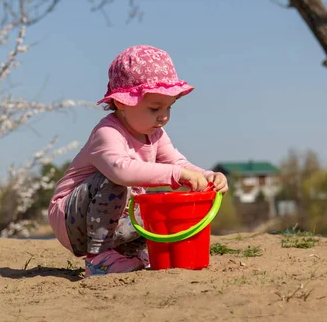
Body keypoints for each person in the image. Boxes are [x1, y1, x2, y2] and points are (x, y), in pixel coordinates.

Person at [48, 44, 228, 277]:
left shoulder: (155, 134)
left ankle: (129, 255)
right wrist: (176, 175)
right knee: (113, 179)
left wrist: (206, 176)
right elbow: (120, 170)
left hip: (114, 220)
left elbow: (177, 163)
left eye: (169, 107)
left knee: (156, 208)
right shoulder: (108, 132)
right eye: (154, 108)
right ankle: (99, 258)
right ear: (122, 103)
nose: (163, 116)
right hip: (73, 219)